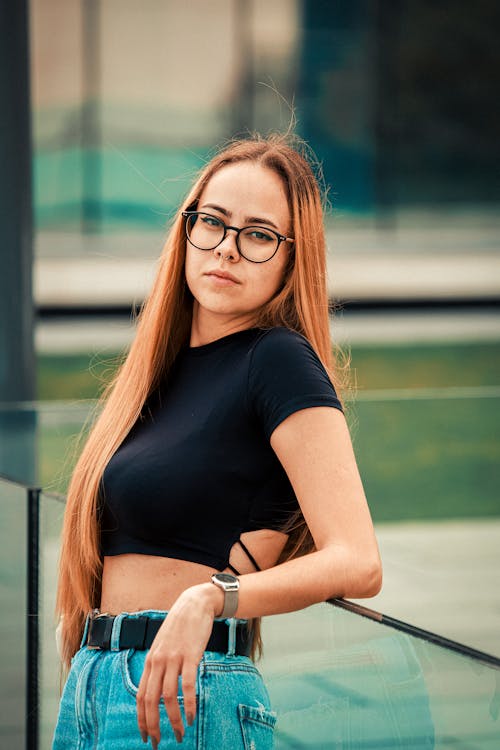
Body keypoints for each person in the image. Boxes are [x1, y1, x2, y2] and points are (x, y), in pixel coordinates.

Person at [52, 133, 382, 749]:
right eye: (213, 222)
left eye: (258, 235)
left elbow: (358, 560)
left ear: (292, 257)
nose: (227, 248)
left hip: (190, 690)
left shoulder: (277, 361)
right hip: (96, 684)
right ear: (186, 231)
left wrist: (210, 598)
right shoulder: (159, 373)